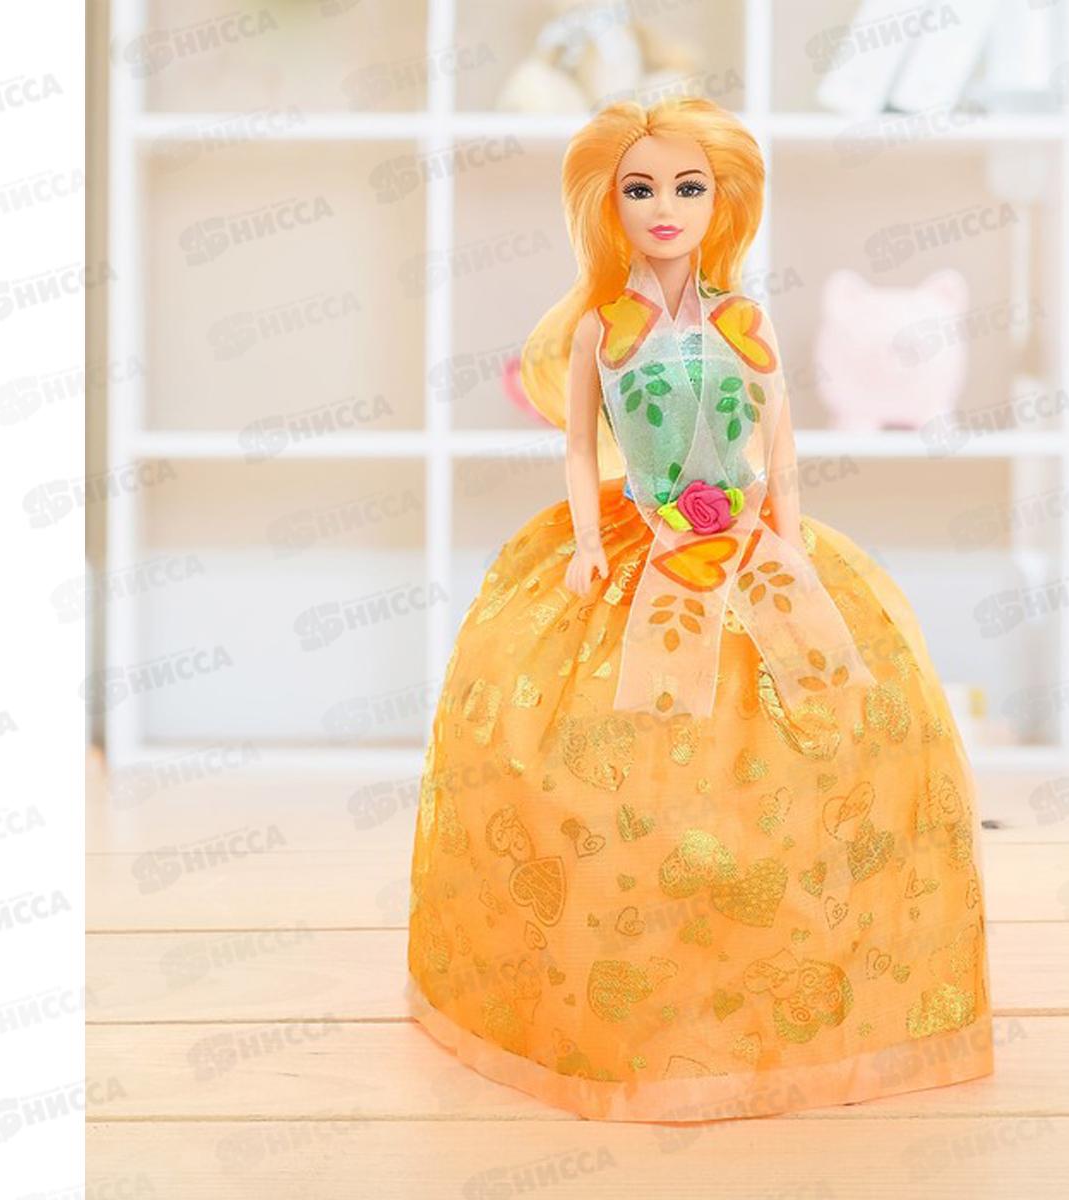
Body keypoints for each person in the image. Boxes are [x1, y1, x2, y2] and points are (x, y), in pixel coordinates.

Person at [405, 96, 992, 1121]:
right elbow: (579, 447)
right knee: (615, 746)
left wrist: (788, 537)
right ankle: (626, 978)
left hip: (753, 539)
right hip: (639, 539)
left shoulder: (744, 321)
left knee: (833, 714)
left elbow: (781, 439)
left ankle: (794, 973)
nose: (664, 207)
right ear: (608, 204)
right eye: (640, 189)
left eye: (688, 186)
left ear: (724, 201)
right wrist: (591, 544)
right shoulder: (603, 328)